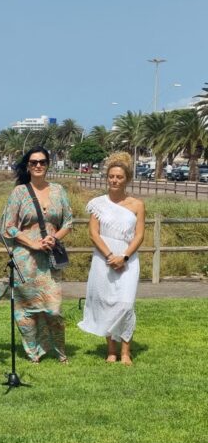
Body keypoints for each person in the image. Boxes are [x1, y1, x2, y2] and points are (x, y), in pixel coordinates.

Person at [0, 146, 73, 364]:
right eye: (33, 162)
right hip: (25, 258)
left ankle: (60, 351)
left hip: (49, 259)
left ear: (48, 164)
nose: (38, 166)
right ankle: (33, 352)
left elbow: (68, 222)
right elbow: (9, 227)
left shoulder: (59, 191)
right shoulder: (19, 192)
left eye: (42, 162)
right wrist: (32, 243)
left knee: (54, 309)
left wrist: (55, 237)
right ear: (28, 166)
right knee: (27, 309)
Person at [78, 152, 145, 365]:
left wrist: (124, 257)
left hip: (128, 259)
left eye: (119, 177)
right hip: (103, 258)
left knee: (125, 304)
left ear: (127, 180)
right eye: (111, 176)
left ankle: (126, 351)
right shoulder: (98, 204)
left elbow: (139, 235)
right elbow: (93, 233)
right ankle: (112, 350)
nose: (115, 180)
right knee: (106, 302)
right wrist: (109, 256)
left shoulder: (137, 205)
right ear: (107, 178)